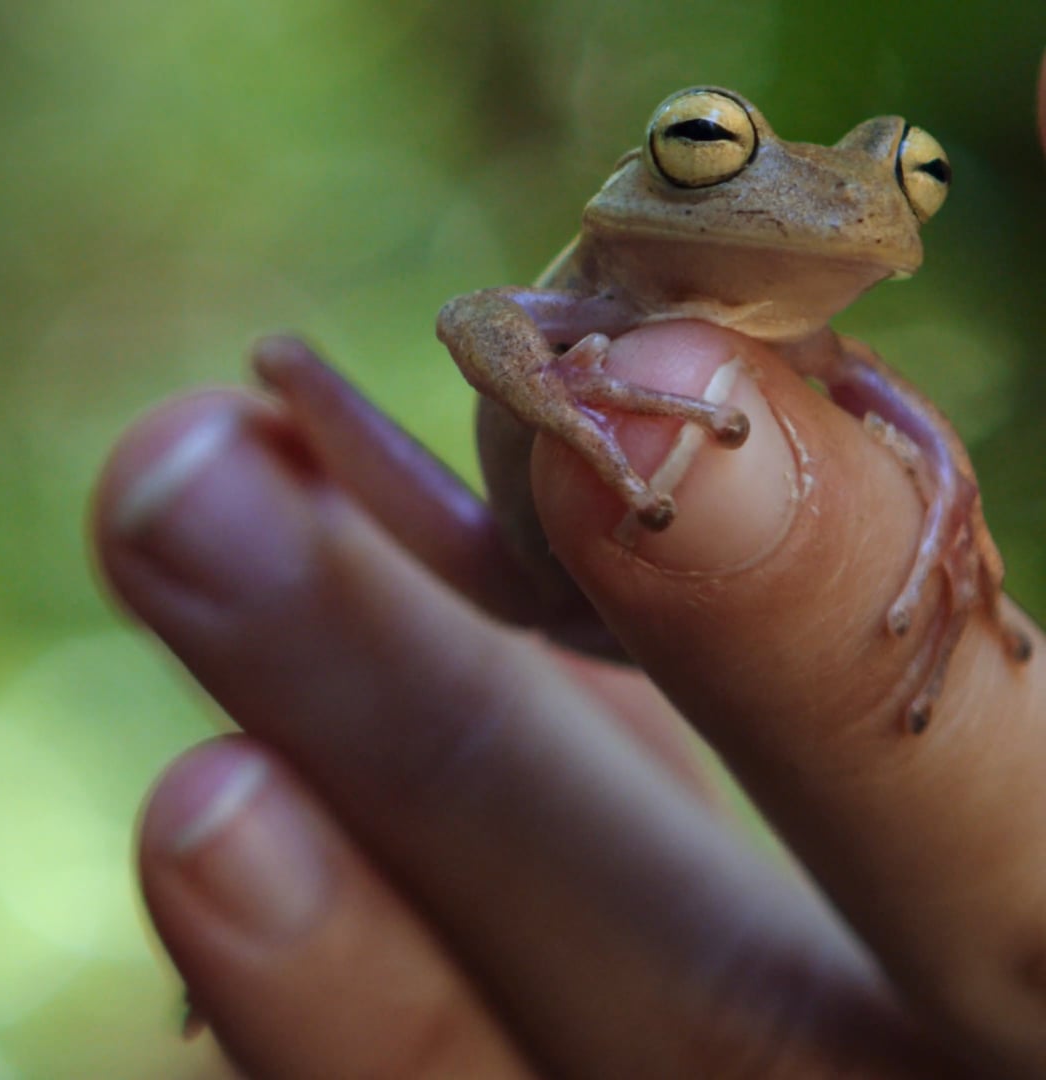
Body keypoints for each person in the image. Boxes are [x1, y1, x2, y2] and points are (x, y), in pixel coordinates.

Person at [92, 60, 1046, 1078]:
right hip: (498, 559)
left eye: (917, 177)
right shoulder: (602, 290)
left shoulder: (814, 345)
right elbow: (475, 318)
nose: (849, 207)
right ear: (649, 176)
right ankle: (280, 570)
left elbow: (918, 433)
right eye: (708, 146)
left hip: (659, 619)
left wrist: (950, 508)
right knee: (290, 374)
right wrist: (558, 393)